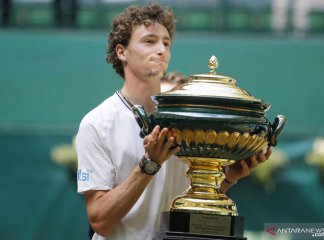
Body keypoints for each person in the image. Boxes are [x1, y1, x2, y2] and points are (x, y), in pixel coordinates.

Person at [76, 3, 272, 240]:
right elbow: (100, 221)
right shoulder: (96, 123)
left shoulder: (185, 121)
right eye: (149, 41)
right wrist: (150, 163)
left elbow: (184, 206)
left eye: (166, 43)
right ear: (122, 52)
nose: (161, 50)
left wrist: (229, 176)